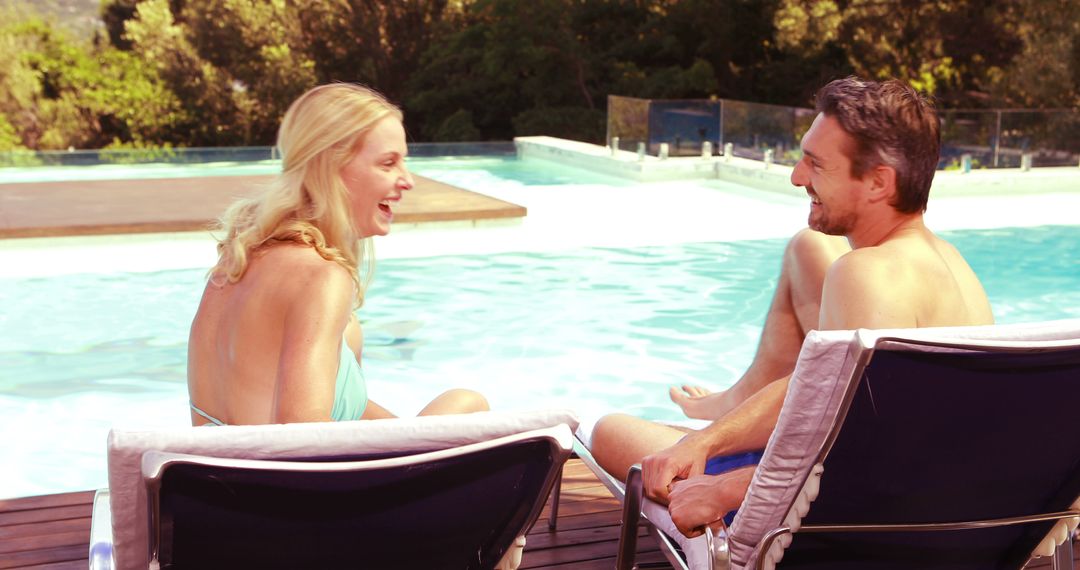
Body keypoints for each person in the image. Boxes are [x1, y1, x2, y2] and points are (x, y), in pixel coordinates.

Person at [589, 76, 994, 537]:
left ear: (879, 182)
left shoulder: (865, 273)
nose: (797, 176)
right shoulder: (953, 265)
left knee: (611, 432)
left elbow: (874, 450)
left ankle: (717, 428)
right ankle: (723, 415)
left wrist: (728, 488)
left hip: (842, 520)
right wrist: (709, 440)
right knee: (806, 252)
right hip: (941, 507)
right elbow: (838, 399)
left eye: (816, 165)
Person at [187, 83, 488, 426]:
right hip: (284, 478)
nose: (407, 180)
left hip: (215, 475)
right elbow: (305, 434)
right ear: (331, 168)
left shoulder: (233, 266)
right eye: (388, 163)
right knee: (466, 404)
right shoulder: (321, 277)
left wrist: (412, 434)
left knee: (351, 333)